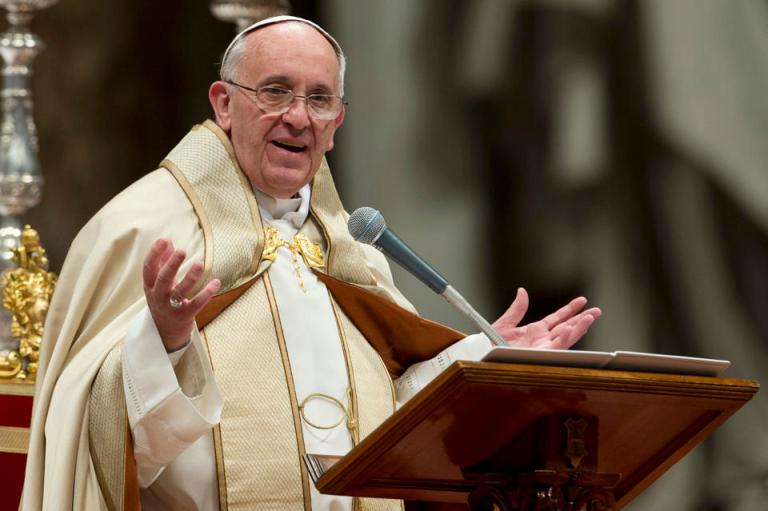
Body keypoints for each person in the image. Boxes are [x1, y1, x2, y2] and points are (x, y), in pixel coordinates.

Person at [21, 15, 601, 511]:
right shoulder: (142, 226)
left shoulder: (351, 253)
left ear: (337, 123)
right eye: (274, 91)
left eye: (319, 98)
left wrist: (483, 359)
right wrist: (166, 342)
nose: (298, 117)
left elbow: (390, 415)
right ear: (224, 104)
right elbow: (102, 436)